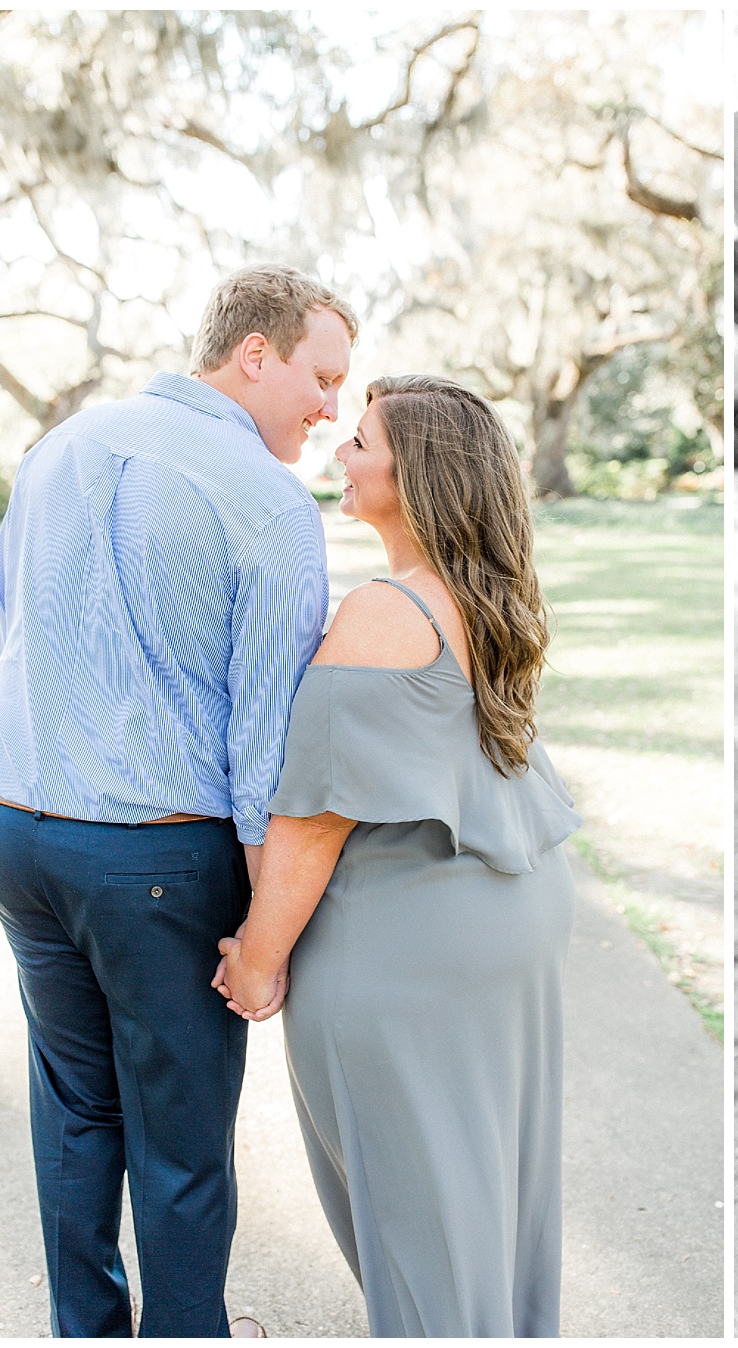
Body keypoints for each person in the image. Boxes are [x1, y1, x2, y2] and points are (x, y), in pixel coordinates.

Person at [0, 264, 357, 1336]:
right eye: (321, 378)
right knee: (180, 1134)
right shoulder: (269, 499)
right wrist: (260, 924)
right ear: (256, 354)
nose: (330, 408)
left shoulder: (58, 447)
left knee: (77, 1103)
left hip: (14, 831)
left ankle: (84, 1330)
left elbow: (3, 642)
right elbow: (264, 740)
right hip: (151, 858)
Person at [213, 375, 582, 1337]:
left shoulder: (386, 611)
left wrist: (257, 959)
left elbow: (314, 819)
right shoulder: (482, 594)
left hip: (413, 951)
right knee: (487, 1196)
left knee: (420, 1236)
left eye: (364, 439)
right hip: (507, 922)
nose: (343, 448)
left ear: (416, 476)